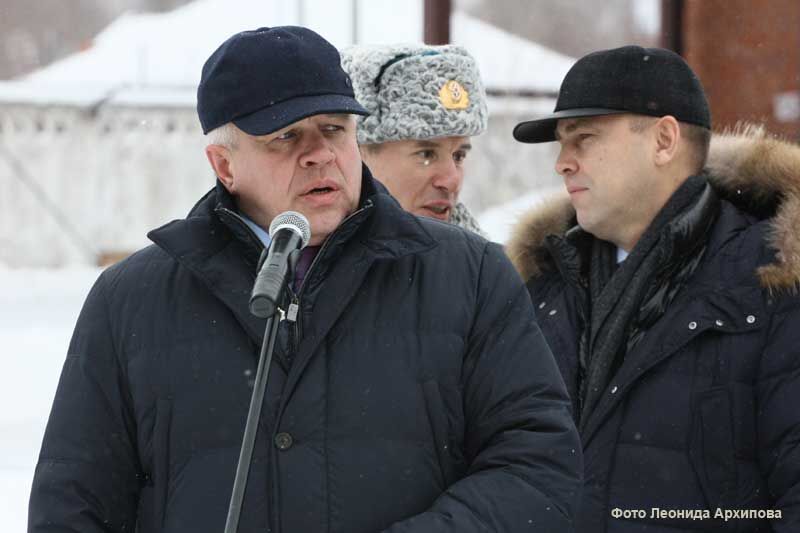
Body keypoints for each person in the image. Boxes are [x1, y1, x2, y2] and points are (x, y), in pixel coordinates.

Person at [28, 26, 581, 532]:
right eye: (286, 136)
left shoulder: (470, 276)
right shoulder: (132, 299)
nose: (320, 154)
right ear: (224, 165)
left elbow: (537, 467)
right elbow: (73, 506)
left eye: (334, 129)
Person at [507, 45, 800, 532]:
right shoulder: (542, 288)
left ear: (664, 141)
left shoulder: (774, 286)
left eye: (584, 138)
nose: (562, 163)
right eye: (561, 144)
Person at [341, 43, 487, 235]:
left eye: (458, 156)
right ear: (358, 156)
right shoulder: (304, 250)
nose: (452, 181)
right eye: (426, 155)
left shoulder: (482, 254)